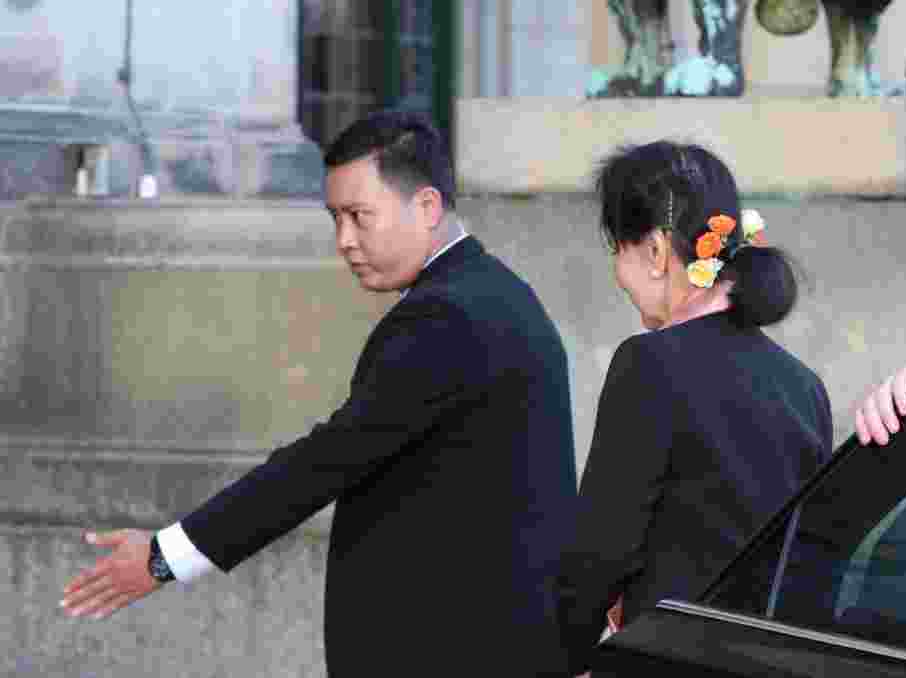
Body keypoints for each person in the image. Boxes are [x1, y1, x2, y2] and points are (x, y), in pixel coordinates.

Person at [60, 111, 578, 677]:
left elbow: (327, 460)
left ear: (427, 207)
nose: (344, 241)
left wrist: (165, 558)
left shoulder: (448, 315)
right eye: (335, 218)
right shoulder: (495, 295)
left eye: (359, 216)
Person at [556, 141, 834, 677]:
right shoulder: (804, 386)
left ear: (657, 252)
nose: (617, 271)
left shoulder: (649, 364)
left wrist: (563, 658)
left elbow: (600, 551)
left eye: (618, 247)